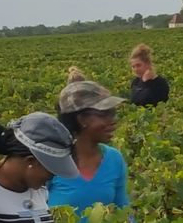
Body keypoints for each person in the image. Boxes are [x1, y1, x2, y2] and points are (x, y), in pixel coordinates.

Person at [49, 80, 131, 221]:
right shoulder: (52, 160)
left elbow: (123, 211)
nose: (113, 120)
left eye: (112, 113)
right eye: (104, 114)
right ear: (82, 119)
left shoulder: (114, 158)